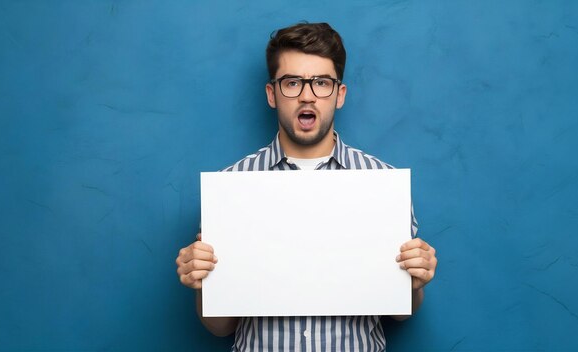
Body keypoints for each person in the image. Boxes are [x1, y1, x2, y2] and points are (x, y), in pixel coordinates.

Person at [175, 22, 437, 351]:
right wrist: (201, 284)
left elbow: (402, 313)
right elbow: (220, 327)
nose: (307, 95)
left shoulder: (381, 182)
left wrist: (415, 281)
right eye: (292, 82)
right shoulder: (231, 188)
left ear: (339, 95)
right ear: (272, 94)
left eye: (322, 83)